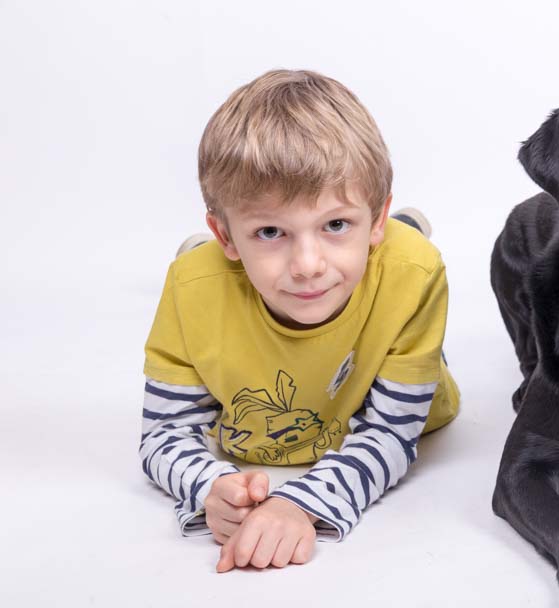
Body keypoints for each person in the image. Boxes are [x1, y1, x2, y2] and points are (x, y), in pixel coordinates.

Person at [140, 69, 460, 573]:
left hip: (383, 341)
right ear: (225, 235)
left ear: (372, 219)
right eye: (270, 230)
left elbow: (390, 434)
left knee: (402, 259)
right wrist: (211, 487)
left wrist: (300, 504)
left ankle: (398, 231)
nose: (307, 264)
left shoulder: (416, 275)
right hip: (223, 276)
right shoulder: (189, 287)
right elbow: (164, 433)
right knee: (203, 276)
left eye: (337, 223)